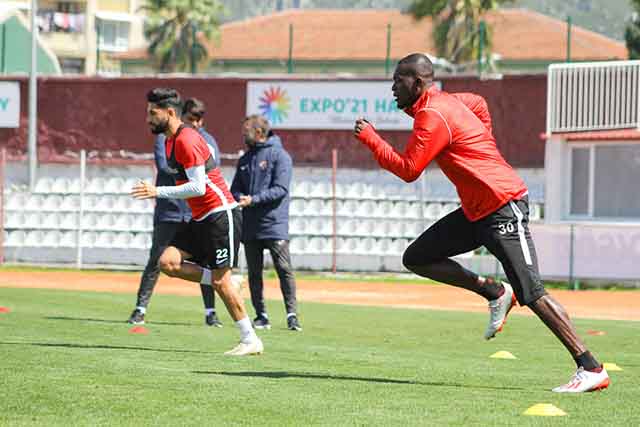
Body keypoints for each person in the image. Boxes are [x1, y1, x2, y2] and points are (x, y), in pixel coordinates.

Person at [353, 53, 609, 393]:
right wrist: (482, 141)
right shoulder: (448, 102)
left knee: (532, 292)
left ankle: (591, 367)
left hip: (503, 206)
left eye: (398, 80)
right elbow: (479, 103)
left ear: (418, 83)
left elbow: (410, 169)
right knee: (417, 257)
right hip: (477, 212)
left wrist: (371, 138)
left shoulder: (432, 115)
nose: (393, 87)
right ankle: (494, 291)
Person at [132, 88, 263, 356]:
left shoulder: (186, 139)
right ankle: (228, 282)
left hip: (220, 215)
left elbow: (199, 187)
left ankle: (250, 339)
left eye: (152, 113)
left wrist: (158, 191)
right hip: (201, 217)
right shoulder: (170, 141)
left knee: (220, 282)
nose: (148, 119)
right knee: (167, 262)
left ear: (170, 112)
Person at [128, 98, 223, 328]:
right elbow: (165, 166)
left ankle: (211, 313)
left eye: (199, 120)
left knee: (206, 262)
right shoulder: (165, 138)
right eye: (191, 119)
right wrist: (190, 169)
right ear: (182, 117)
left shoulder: (207, 139)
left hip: (195, 211)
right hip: (169, 210)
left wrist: (190, 169)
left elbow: (212, 168)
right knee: (157, 260)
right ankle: (140, 309)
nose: (195, 124)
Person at [230, 115, 302, 331]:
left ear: (259, 133)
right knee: (254, 273)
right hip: (250, 225)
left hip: (274, 223)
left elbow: (281, 189)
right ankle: (261, 315)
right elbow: (235, 189)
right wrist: (239, 197)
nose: (243, 136)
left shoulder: (280, 156)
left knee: (283, 268)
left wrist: (253, 199)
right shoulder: (245, 159)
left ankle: (292, 315)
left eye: (246, 132)